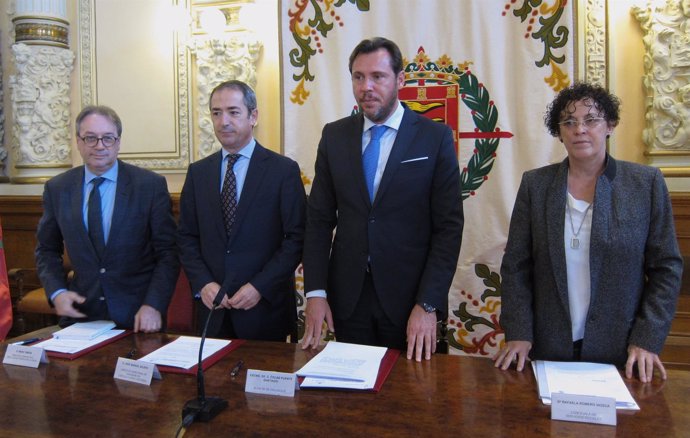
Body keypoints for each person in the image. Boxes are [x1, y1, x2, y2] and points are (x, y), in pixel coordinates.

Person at [494, 82, 682, 382]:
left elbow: (666, 269)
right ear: (560, 132)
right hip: (547, 348)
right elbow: (516, 265)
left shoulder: (644, 184)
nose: (579, 129)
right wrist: (519, 332)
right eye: (569, 122)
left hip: (624, 351)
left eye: (590, 120)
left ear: (610, 125)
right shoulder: (536, 185)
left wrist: (647, 338)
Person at [301, 37, 464, 361]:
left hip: (411, 302)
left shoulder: (434, 137)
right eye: (358, 77)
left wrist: (427, 303)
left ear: (400, 80)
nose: (367, 87)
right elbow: (319, 220)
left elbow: (448, 228)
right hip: (348, 300)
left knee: (413, 403)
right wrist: (316, 292)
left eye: (378, 76)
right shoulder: (334, 136)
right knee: (351, 404)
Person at [177, 80, 306, 341]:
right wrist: (204, 284)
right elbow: (186, 238)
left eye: (233, 112)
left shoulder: (283, 171)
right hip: (212, 312)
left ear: (253, 116)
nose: (224, 121)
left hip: (265, 312)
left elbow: (296, 239)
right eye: (216, 113)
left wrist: (259, 286)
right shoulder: (198, 173)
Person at [35, 105, 179, 332]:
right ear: (78, 142)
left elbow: (168, 253)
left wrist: (154, 304)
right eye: (90, 138)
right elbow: (46, 249)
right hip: (81, 315)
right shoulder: (57, 188)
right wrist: (57, 292)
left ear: (118, 141)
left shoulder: (149, 186)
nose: (100, 146)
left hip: (138, 316)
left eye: (108, 138)